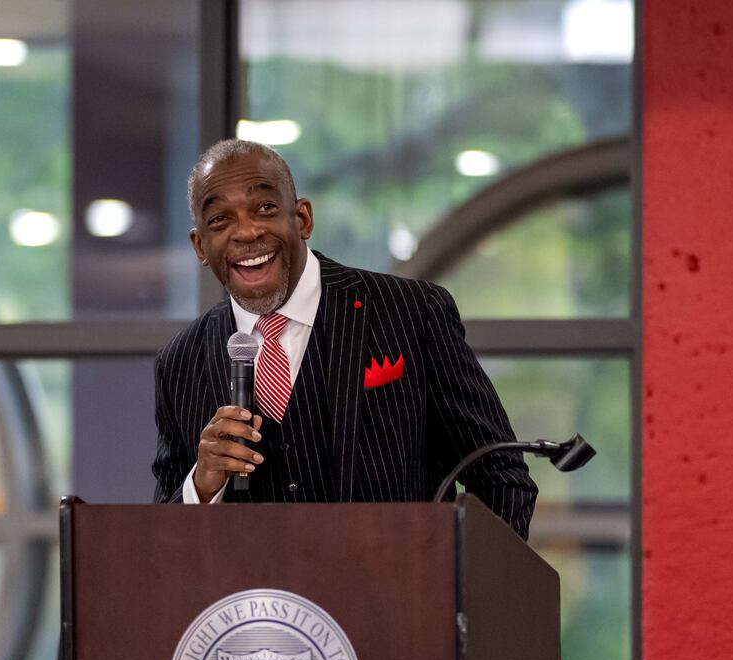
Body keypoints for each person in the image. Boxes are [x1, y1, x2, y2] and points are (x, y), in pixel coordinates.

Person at [152, 139, 538, 539]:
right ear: (200, 246)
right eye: (220, 220)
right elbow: (162, 538)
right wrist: (202, 486)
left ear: (302, 219)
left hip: (399, 595)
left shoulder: (411, 312)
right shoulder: (179, 363)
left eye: (265, 208)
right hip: (257, 600)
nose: (246, 231)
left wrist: (454, 595)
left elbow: (499, 475)